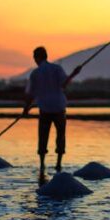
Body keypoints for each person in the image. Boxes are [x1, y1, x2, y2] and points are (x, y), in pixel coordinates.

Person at [23, 46, 81, 182]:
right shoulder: (57, 69)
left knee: (43, 136)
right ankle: (58, 164)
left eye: (34, 57)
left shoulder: (35, 73)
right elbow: (64, 85)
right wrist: (74, 73)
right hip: (59, 107)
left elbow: (31, 94)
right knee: (60, 136)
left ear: (37, 58)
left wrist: (26, 108)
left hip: (45, 109)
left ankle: (42, 165)